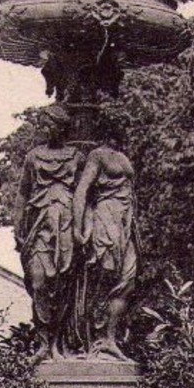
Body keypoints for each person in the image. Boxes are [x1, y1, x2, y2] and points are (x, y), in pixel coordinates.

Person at [13, 106, 83, 359]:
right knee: (38, 279)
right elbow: (23, 193)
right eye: (41, 125)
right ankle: (43, 342)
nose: (43, 129)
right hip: (39, 223)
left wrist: (82, 228)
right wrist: (17, 225)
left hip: (65, 223)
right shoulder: (33, 156)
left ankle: (58, 343)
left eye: (47, 125)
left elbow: (85, 195)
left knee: (63, 284)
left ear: (60, 127)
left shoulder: (76, 157)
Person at [72, 139, 138, 359]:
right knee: (103, 277)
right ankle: (94, 340)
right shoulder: (97, 155)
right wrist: (79, 227)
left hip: (124, 221)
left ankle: (110, 339)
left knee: (127, 281)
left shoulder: (122, 155)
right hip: (105, 218)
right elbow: (82, 191)